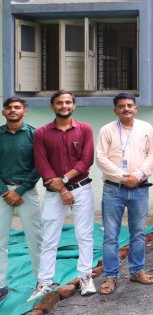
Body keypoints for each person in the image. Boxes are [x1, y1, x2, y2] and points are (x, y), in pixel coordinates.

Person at [29, 91, 96, 300]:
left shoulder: (84, 129)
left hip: (82, 189)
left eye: (68, 102)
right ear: (52, 106)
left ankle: (86, 277)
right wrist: (61, 189)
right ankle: (44, 282)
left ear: (74, 105)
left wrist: (64, 181)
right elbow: (42, 164)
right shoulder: (41, 133)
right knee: (49, 238)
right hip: (53, 192)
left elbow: (86, 160)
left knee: (84, 235)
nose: (64, 105)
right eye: (59, 102)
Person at [95, 92, 153, 295]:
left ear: (136, 108)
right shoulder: (107, 130)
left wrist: (138, 175)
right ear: (115, 110)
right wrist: (124, 177)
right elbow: (101, 158)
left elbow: (152, 154)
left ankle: (137, 271)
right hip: (114, 189)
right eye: (122, 106)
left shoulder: (146, 128)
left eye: (130, 105)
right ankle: (110, 276)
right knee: (111, 235)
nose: (126, 109)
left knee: (138, 233)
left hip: (139, 189)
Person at [0, 97, 42, 303]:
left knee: (35, 238)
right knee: (0, 241)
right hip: (2, 193)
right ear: (3, 112)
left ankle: (41, 282)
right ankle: (0, 287)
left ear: (25, 111)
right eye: (9, 108)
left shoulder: (34, 135)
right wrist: (4, 191)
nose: (13, 110)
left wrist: (21, 189)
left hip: (27, 192)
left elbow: (39, 165)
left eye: (17, 107)